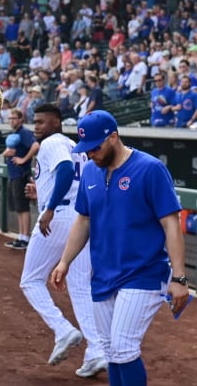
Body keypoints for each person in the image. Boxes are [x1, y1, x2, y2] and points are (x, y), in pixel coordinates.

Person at [50, 110, 190, 386]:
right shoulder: (90, 170)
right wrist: (65, 261)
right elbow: (84, 219)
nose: (90, 154)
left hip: (143, 273)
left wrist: (179, 277)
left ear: (113, 137)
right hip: (103, 274)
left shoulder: (149, 168)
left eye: (95, 147)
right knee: (112, 351)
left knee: (125, 348)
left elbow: (171, 224)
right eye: (85, 149)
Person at [20, 104, 107, 378]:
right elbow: (69, 177)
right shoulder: (73, 144)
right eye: (35, 122)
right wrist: (42, 192)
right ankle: (97, 351)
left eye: (42, 122)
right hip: (80, 217)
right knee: (80, 288)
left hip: (59, 217)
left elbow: (67, 171)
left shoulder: (54, 142)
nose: (37, 126)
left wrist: (48, 207)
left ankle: (63, 329)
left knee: (31, 280)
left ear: (56, 123)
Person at [3, 108, 39, 250]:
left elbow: (36, 145)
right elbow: (9, 152)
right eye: (10, 118)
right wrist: (6, 154)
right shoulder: (15, 134)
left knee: (23, 207)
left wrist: (24, 159)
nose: (11, 121)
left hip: (21, 175)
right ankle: (20, 236)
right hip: (13, 175)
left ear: (20, 119)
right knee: (18, 208)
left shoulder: (23, 132)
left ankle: (25, 238)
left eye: (14, 118)